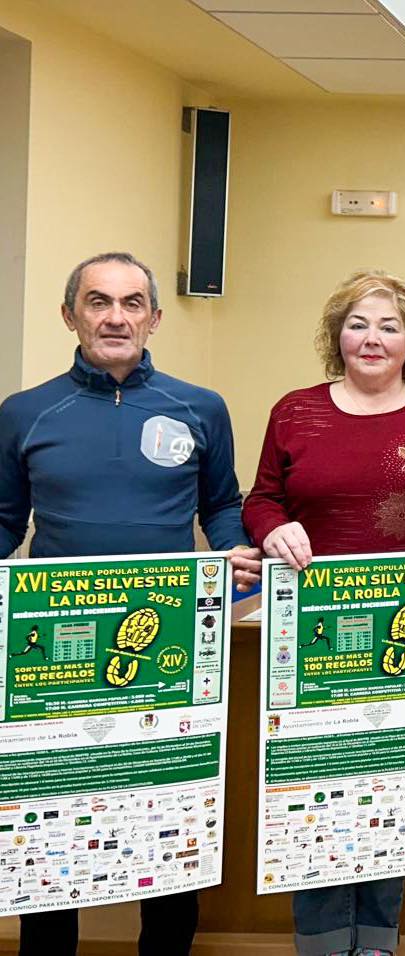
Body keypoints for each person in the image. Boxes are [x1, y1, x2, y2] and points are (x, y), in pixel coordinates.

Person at [0, 251, 261, 956]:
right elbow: (3, 520)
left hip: (170, 644)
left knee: (168, 819)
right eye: (97, 302)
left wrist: (234, 550)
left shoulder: (199, 407)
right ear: (70, 315)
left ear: (153, 317)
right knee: (51, 824)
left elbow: (223, 505)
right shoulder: (25, 413)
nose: (115, 317)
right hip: (56, 652)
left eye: (131, 303)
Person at [243, 270, 405, 956]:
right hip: (317, 637)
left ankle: (378, 938)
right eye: (358, 324)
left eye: (388, 326)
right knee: (316, 785)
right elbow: (263, 498)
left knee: (393, 786)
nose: (372, 338)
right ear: (336, 337)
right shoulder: (295, 410)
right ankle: (321, 940)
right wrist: (269, 530)